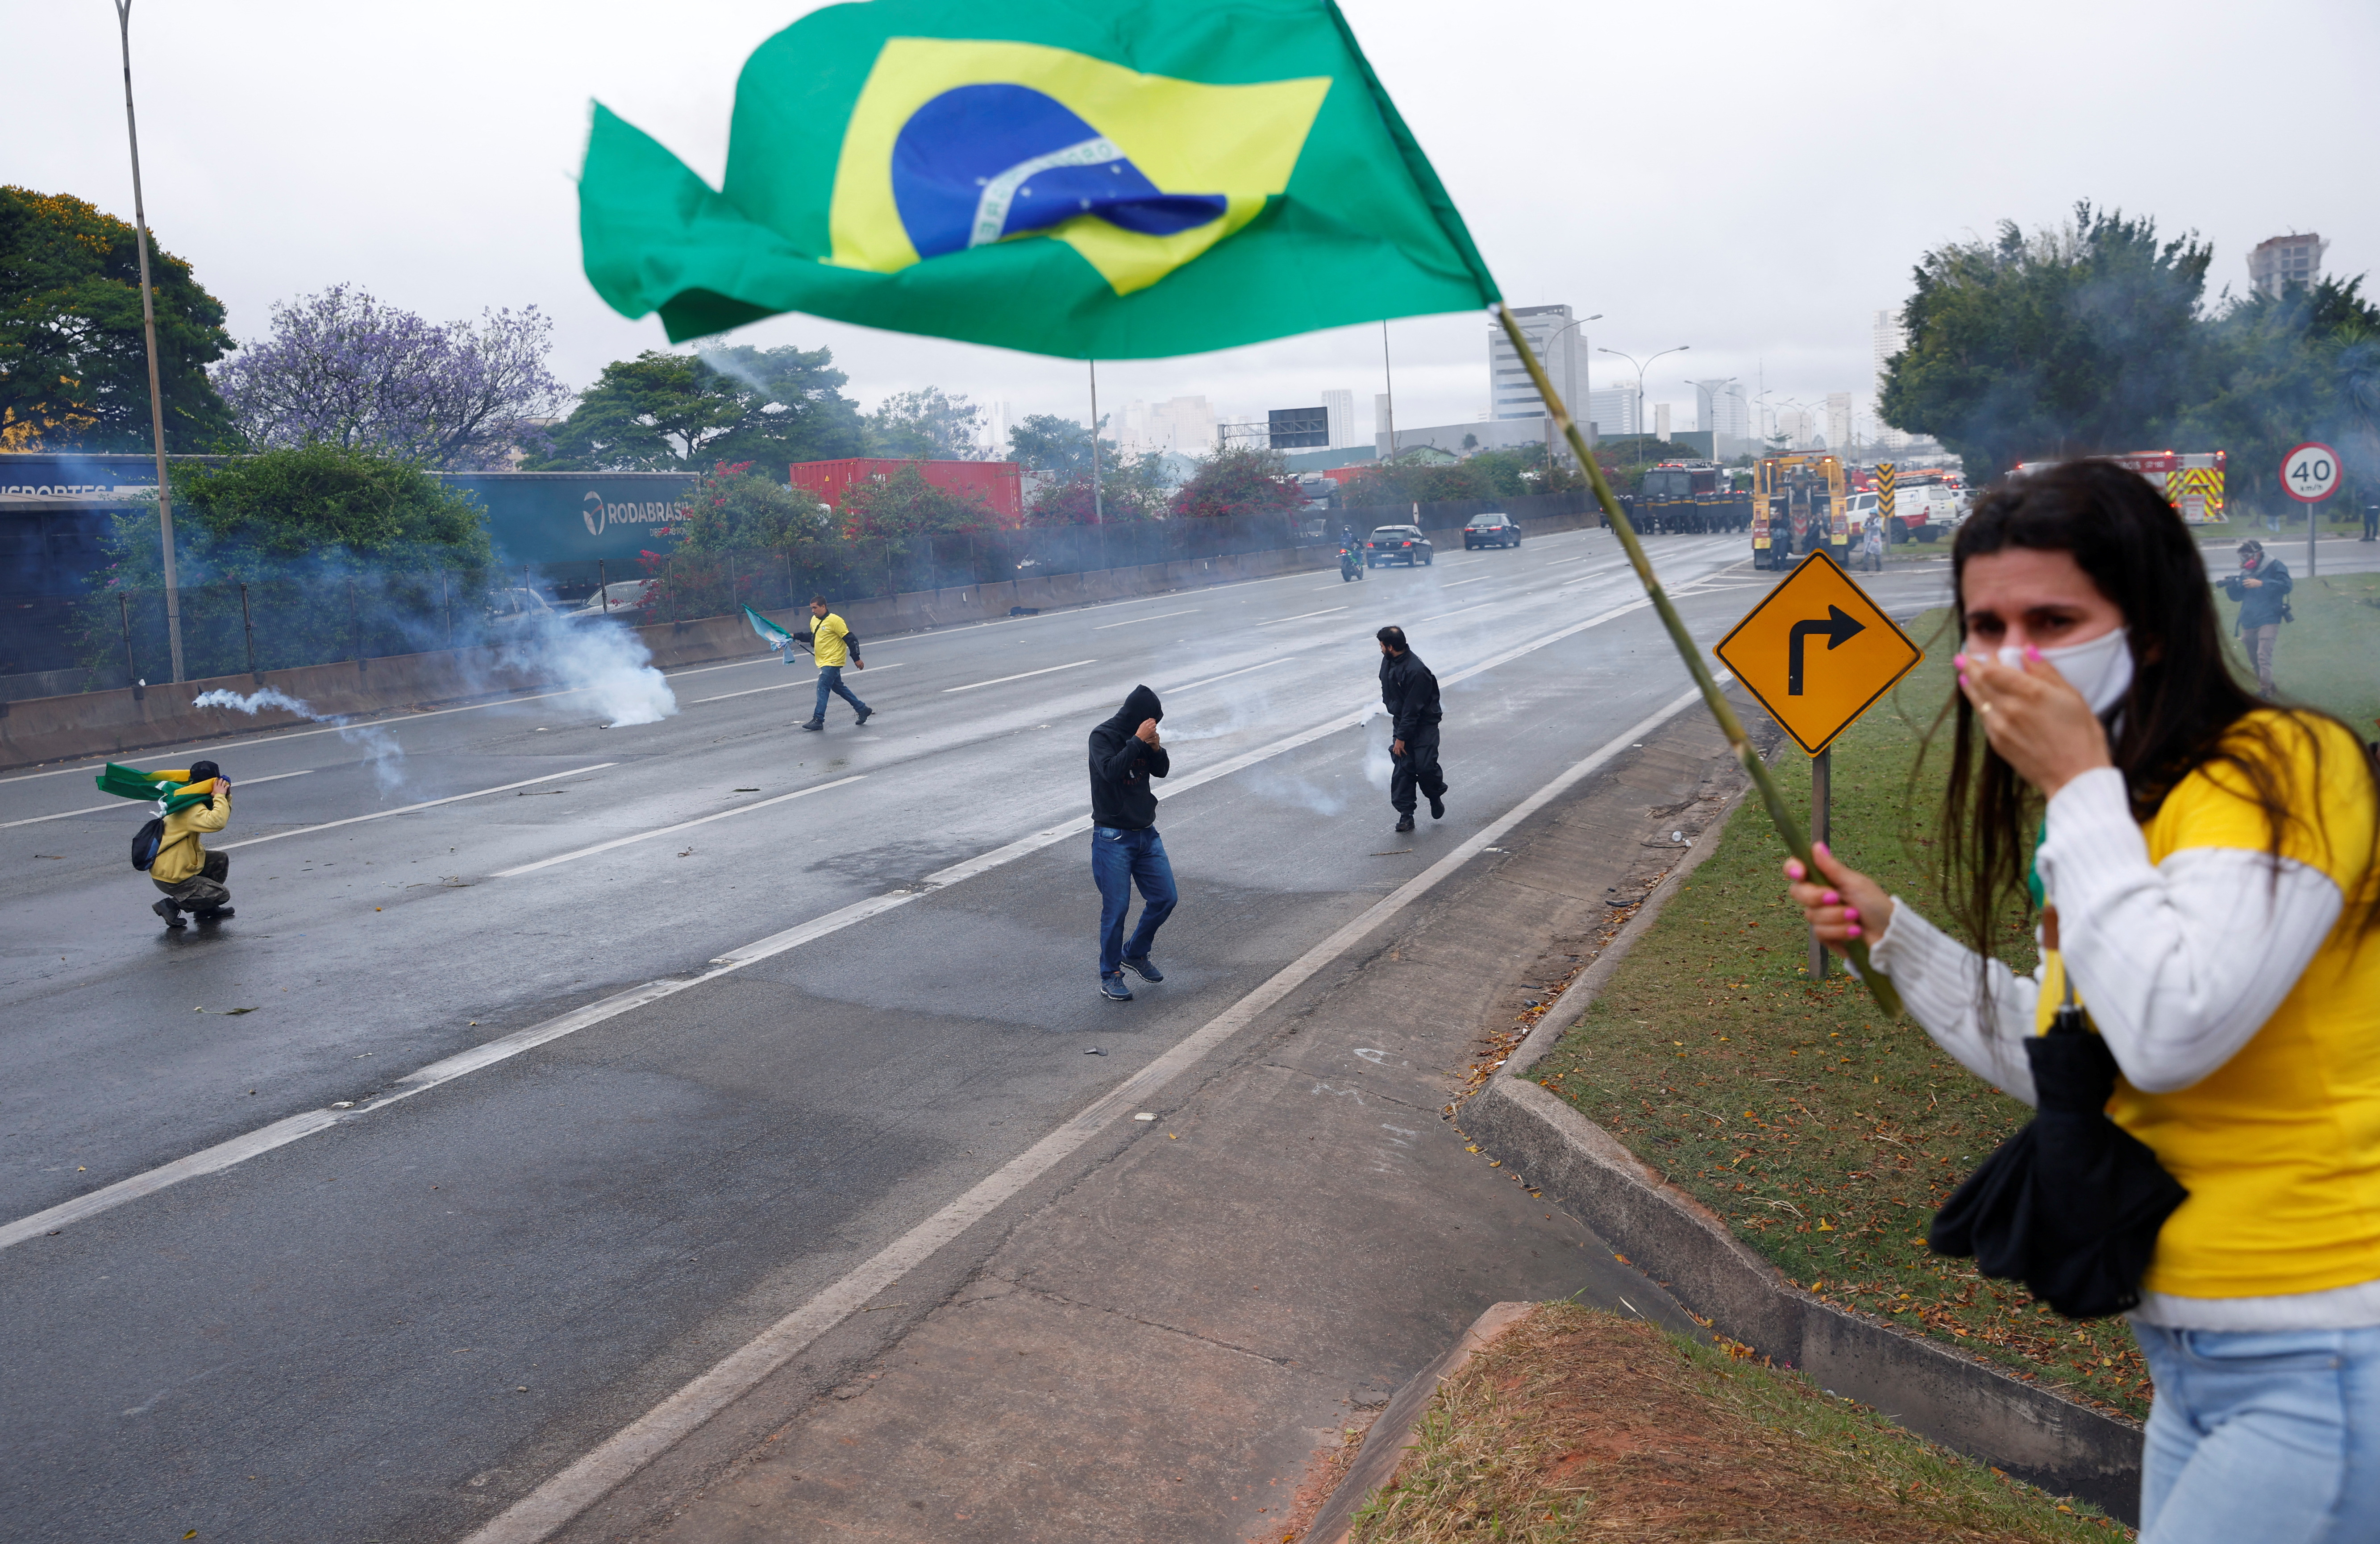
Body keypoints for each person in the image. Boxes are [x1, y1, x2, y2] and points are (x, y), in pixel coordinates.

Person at [1782, 459, 2380, 1544]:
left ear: (2148, 628)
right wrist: (1893, 935)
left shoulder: (2283, 771)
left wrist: (2075, 786)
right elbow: (2068, 1054)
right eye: (1986, 624)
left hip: (2326, 1342)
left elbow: (2167, 1033)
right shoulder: (2115, 816)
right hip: (2191, 1357)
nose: (2013, 656)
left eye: (2053, 619)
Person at [1088, 684, 1177, 1002]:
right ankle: (1110, 974)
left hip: (1146, 833)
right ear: (1138, 717)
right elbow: (1111, 772)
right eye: (1152, 722)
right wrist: (1137, 741)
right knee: (1117, 908)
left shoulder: (1143, 738)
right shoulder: (1102, 737)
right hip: (1113, 838)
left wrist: (1154, 748)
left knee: (1166, 898)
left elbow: (1163, 771)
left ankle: (1136, 953)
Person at [1377, 625, 1445, 834]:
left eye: (1381, 645)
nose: (1379, 649)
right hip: (1403, 720)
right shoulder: (1389, 661)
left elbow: (1413, 709)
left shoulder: (1416, 671)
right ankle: (1406, 815)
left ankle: (1434, 795)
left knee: (1425, 767)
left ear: (1390, 647)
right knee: (1404, 769)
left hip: (1424, 724)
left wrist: (1401, 737)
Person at [150, 760, 234, 927]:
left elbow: (218, 811)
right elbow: (217, 822)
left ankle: (205, 910)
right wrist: (219, 796)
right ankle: (171, 906)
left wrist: (225, 797)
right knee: (222, 894)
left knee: (219, 860)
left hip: (175, 865)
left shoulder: (188, 795)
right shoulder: (190, 807)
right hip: (172, 876)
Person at [2217, 540, 2292, 698]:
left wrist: (2262, 584)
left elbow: (2286, 586)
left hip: (2269, 617)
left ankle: (2265, 692)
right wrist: (2232, 586)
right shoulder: (2245, 572)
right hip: (2249, 619)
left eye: (2247, 555)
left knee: (2263, 656)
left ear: (2258, 554)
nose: (2245, 559)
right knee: (2254, 659)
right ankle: (2270, 687)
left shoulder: (2274, 565)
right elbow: (2237, 598)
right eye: (2242, 555)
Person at [799, 595, 871, 730]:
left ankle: (818, 719)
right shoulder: (814, 620)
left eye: (815, 608)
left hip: (834, 661)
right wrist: (793, 636)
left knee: (823, 686)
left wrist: (856, 658)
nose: (813, 611)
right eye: (811, 608)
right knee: (838, 687)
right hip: (823, 660)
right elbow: (812, 636)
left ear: (823, 607)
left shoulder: (835, 620)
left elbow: (851, 639)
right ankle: (862, 709)